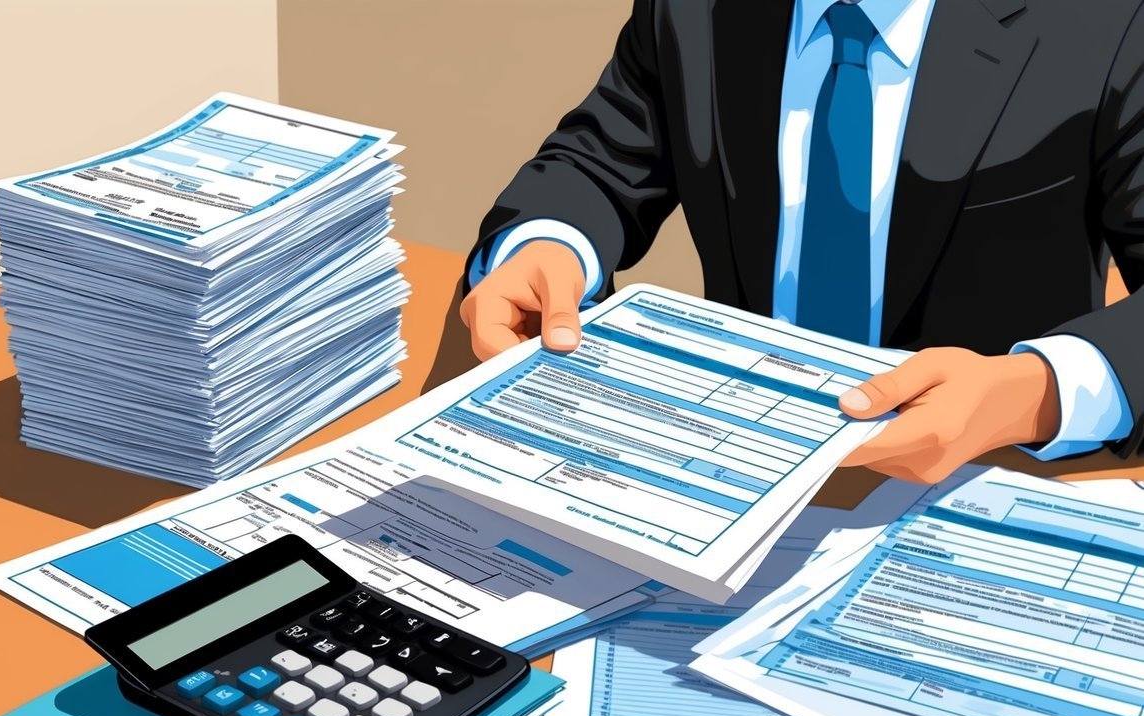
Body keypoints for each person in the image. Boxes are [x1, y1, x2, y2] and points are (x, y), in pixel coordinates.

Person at [458, 0, 1144, 484]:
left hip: (986, 473)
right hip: (731, 452)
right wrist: (547, 243)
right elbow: (598, 162)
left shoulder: (1110, 22)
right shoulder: (696, 11)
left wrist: (1033, 393)